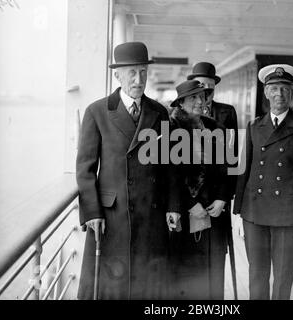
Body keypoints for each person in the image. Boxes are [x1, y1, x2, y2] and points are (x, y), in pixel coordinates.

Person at [76, 41, 180, 299]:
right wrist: (91, 211)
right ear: (117, 75)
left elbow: (170, 167)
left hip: (151, 216)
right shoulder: (97, 112)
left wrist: (174, 206)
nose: (138, 79)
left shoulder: (159, 113)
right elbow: (85, 168)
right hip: (112, 219)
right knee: (111, 288)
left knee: (146, 289)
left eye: (143, 72)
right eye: (132, 72)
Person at [233, 64, 293, 300]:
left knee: (283, 277)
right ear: (265, 92)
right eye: (274, 88)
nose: (279, 95)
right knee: (256, 275)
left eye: (285, 89)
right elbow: (245, 171)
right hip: (255, 213)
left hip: (288, 214)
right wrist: (239, 214)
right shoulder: (254, 126)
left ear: (292, 93)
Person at [168, 80, 229, 300]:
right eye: (192, 97)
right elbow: (170, 174)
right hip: (187, 212)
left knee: (213, 272)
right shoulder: (170, 128)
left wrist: (222, 198)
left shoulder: (215, 128)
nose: (198, 101)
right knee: (187, 272)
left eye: (201, 96)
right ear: (181, 102)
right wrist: (189, 203)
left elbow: (225, 168)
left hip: (214, 211)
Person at [187, 62, 239, 296]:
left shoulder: (227, 113)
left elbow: (233, 159)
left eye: (209, 88)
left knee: (217, 257)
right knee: (192, 260)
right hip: (193, 202)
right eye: (200, 88)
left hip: (217, 201)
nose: (204, 94)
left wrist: (224, 198)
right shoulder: (182, 116)